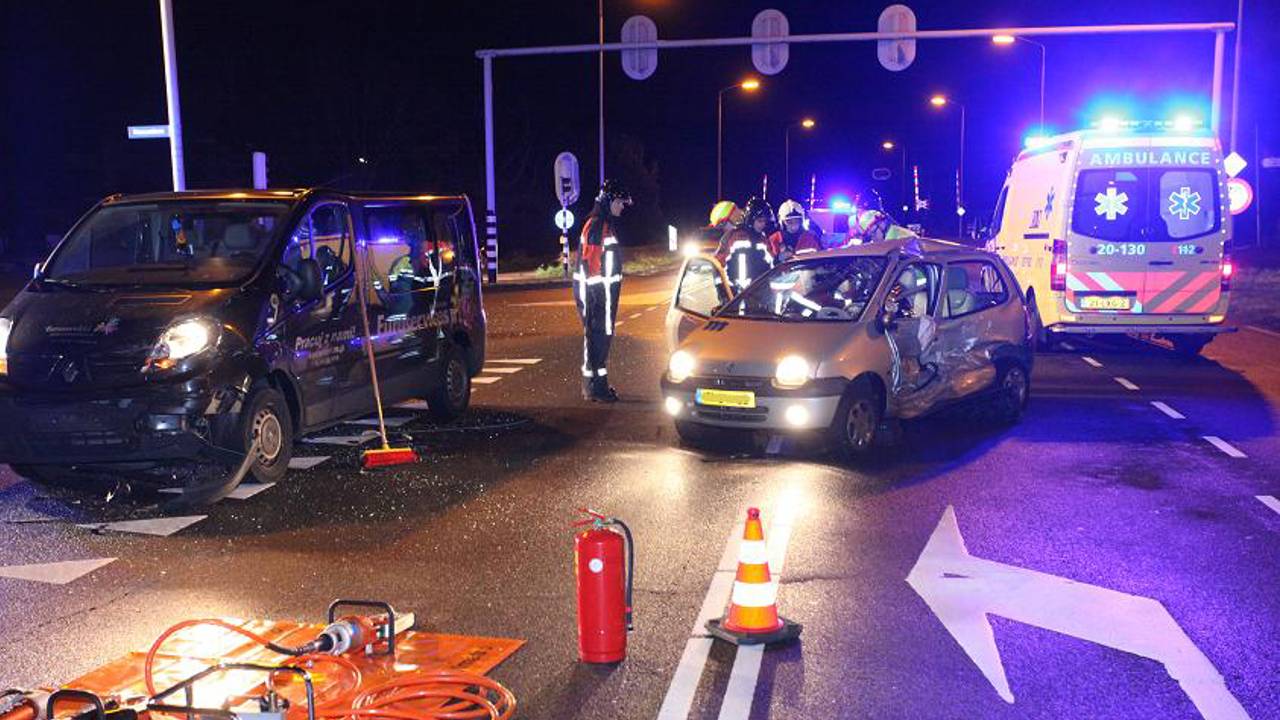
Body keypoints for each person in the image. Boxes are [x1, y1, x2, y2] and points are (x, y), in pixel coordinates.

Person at [574, 179, 632, 402]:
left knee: (600, 338)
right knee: (597, 338)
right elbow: (591, 263)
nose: (622, 207)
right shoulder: (598, 225)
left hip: (602, 293)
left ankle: (596, 386)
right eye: (620, 203)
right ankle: (595, 388)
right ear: (609, 200)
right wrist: (597, 297)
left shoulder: (602, 224)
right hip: (598, 294)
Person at [721, 196, 775, 292]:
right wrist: (723, 290)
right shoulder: (733, 236)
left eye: (765, 221)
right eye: (760, 221)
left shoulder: (763, 239)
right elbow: (718, 264)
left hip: (757, 294)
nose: (763, 224)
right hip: (734, 295)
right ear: (750, 219)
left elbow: (771, 265)